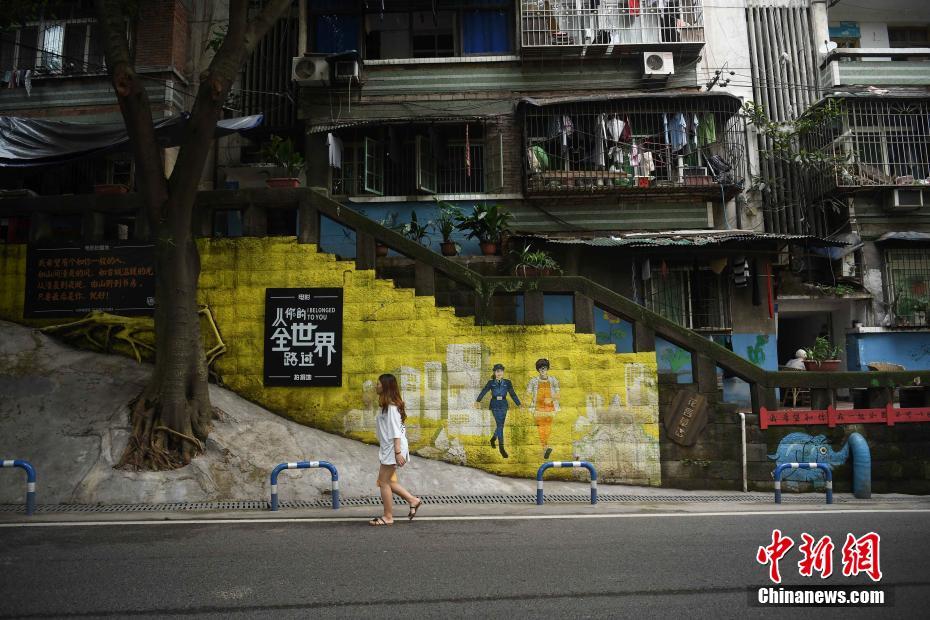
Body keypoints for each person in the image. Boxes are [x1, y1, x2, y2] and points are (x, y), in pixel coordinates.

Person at [370, 373, 421, 526]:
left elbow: (395, 432)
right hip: (390, 448)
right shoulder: (387, 406)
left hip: (393, 449)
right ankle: (413, 500)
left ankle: (388, 517)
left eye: (378, 384)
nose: (376, 386)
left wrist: (397, 452)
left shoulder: (391, 407)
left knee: (383, 482)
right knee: (385, 481)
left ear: (385, 387)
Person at [475, 363, 521, 459]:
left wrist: (518, 403)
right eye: (497, 371)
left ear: (503, 372)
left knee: (500, 425)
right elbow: (484, 391)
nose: (499, 373)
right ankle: (501, 449)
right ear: (494, 372)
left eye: (500, 371)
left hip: (504, 405)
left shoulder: (507, 382)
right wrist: (478, 400)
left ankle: (493, 439)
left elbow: (512, 394)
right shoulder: (491, 383)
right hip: (495, 404)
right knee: (500, 426)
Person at [526, 358, 560, 460]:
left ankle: (545, 447)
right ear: (538, 370)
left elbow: (558, 395)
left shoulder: (553, 380)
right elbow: (528, 393)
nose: (542, 370)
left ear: (547, 368)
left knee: (548, 428)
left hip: (550, 408)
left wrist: (551, 398)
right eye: (540, 368)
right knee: (541, 428)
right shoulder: (533, 381)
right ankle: (545, 447)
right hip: (538, 408)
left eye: (544, 368)